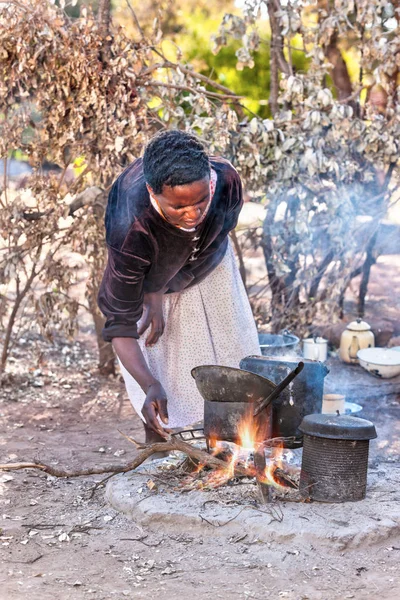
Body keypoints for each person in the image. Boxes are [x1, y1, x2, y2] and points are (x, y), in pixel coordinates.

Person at [98, 130, 260, 443]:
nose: (193, 215)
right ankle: (161, 443)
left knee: (228, 350)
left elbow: (219, 235)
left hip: (209, 269)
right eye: (177, 208)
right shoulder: (131, 228)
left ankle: (232, 441)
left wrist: (165, 282)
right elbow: (120, 325)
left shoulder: (226, 183)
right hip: (146, 271)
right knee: (162, 355)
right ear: (152, 192)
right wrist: (150, 385)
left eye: (201, 201)